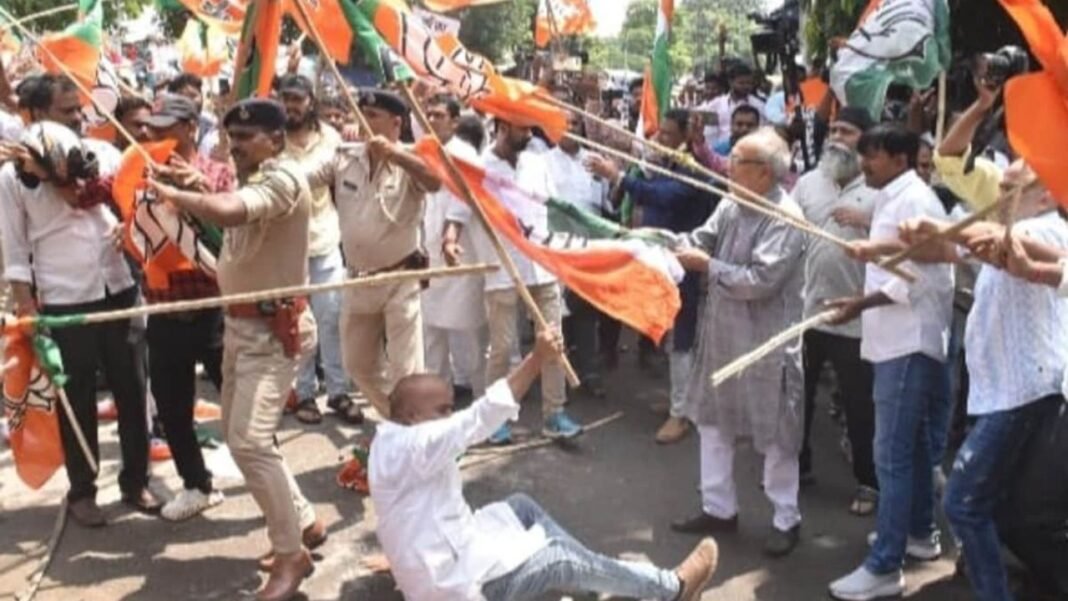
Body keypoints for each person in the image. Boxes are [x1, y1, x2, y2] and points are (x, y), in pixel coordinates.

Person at [370, 329, 721, 601]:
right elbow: (478, 419)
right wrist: (536, 358)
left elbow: (403, 519)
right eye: (442, 410)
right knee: (558, 558)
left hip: (457, 553)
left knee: (520, 507)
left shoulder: (392, 442)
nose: (450, 416)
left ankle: (594, 579)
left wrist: (401, 559)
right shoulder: (414, 445)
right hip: (456, 588)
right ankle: (671, 588)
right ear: (412, 416)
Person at [146, 99, 324, 601]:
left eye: (246, 137)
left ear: (276, 139)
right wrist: (200, 188)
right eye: (231, 137)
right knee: (241, 436)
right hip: (241, 327)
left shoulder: (284, 178)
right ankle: (303, 522)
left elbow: (231, 211)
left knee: (249, 441)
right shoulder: (252, 178)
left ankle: (291, 555)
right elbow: (231, 210)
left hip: (273, 331)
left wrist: (175, 194)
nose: (235, 146)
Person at [894, 161, 1068, 601]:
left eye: (1012, 188)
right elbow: (951, 252)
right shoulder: (1013, 228)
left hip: (1022, 390)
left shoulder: (1047, 229)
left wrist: (941, 227)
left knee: (963, 503)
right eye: (1001, 186)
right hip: (1002, 392)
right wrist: (882, 247)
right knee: (1002, 506)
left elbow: (995, 243)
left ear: (1046, 196)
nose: (999, 196)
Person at [0, 116, 158, 525]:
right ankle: (82, 491)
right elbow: (15, 252)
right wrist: (27, 309)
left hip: (119, 286)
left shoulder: (103, 154)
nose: (73, 192)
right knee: (76, 397)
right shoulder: (13, 180)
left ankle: (136, 480)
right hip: (64, 299)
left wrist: (129, 225)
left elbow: (137, 201)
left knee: (133, 389)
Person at [826, 124, 954, 601]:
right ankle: (918, 533)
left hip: (908, 341)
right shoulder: (892, 196)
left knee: (891, 456)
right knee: (912, 447)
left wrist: (858, 305)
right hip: (897, 341)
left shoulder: (915, 200)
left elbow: (914, 277)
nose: (864, 164)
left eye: (872, 156)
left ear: (899, 159)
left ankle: (885, 566)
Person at [668, 127, 805, 558]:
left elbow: (760, 281)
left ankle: (786, 518)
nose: (727, 167)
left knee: (777, 434)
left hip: (767, 343)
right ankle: (718, 508)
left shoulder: (786, 218)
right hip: (723, 334)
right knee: (712, 423)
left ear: (764, 173)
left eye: (737, 162)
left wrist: (706, 265)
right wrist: (675, 245)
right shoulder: (733, 202)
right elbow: (703, 239)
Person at [443, 118, 582, 445]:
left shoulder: (536, 162)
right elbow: (457, 214)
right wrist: (449, 242)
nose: (530, 134)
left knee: (553, 341)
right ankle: (494, 420)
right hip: (502, 268)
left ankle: (554, 414)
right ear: (503, 127)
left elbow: (551, 208)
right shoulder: (478, 168)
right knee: (503, 348)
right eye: (523, 128)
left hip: (541, 265)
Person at [304, 88, 441, 419]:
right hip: (358, 279)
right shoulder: (345, 156)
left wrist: (396, 155)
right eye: (362, 115)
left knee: (407, 371)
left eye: (374, 116)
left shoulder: (412, 158)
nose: (365, 123)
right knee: (358, 365)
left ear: (396, 123)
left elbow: (435, 181)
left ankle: (410, 431)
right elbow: (302, 178)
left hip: (400, 278)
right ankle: (400, 420)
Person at [587, 108, 715, 444]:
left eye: (669, 135)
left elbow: (663, 196)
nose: (661, 140)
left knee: (682, 339)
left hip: (683, 263)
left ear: (687, 136)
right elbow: (649, 190)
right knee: (671, 335)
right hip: (662, 261)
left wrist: (618, 176)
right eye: (661, 133)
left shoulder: (693, 170)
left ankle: (681, 414)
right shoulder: (667, 164)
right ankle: (680, 401)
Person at [140, 93, 233, 521]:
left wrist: (198, 190)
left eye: (165, 128)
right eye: (151, 128)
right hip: (163, 309)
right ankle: (197, 485)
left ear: (191, 128)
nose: (153, 134)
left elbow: (234, 226)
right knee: (173, 409)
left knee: (240, 404)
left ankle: (274, 484)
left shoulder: (218, 173)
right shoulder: (140, 174)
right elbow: (99, 194)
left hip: (213, 308)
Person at [792, 107, 879, 514]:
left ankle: (868, 482)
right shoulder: (808, 183)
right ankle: (798, 467)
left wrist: (868, 222)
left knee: (860, 406)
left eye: (847, 131)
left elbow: (902, 246)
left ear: (867, 139)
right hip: (808, 311)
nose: (836, 138)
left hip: (858, 317)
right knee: (797, 397)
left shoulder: (880, 189)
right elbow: (787, 235)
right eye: (833, 130)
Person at [275, 74, 353, 425]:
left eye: (297, 99)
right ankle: (305, 393)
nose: (291, 106)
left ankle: (337, 391)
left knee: (331, 319)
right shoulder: (271, 139)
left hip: (325, 239)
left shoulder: (331, 138)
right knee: (299, 325)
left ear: (310, 101)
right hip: (287, 246)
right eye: (285, 99)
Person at [421, 97, 488, 399]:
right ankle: (438, 396)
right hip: (430, 253)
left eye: (438, 115)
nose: (431, 120)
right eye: (428, 114)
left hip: (461, 253)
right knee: (431, 331)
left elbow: (464, 199)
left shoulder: (465, 154)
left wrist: (450, 237)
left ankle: (481, 397)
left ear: (454, 122)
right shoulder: (427, 150)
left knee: (469, 331)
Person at [545, 112, 611, 397]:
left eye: (575, 124)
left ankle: (590, 372)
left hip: (589, 249)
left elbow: (607, 204)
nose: (569, 129)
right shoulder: (543, 162)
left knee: (586, 311)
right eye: (564, 124)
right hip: (556, 248)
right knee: (557, 313)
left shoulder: (595, 161)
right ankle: (559, 375)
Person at [700, 63, 765, 150]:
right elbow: (709, 135)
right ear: (730, 82)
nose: (746, 86)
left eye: (749, 83)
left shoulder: (760, 106)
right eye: (741, 83)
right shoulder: (714, 105)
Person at [166, 72, 216, 153]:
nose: (189, 102)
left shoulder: (211, 128)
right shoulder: (166, 129)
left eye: (193, 96)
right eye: (182, 97)